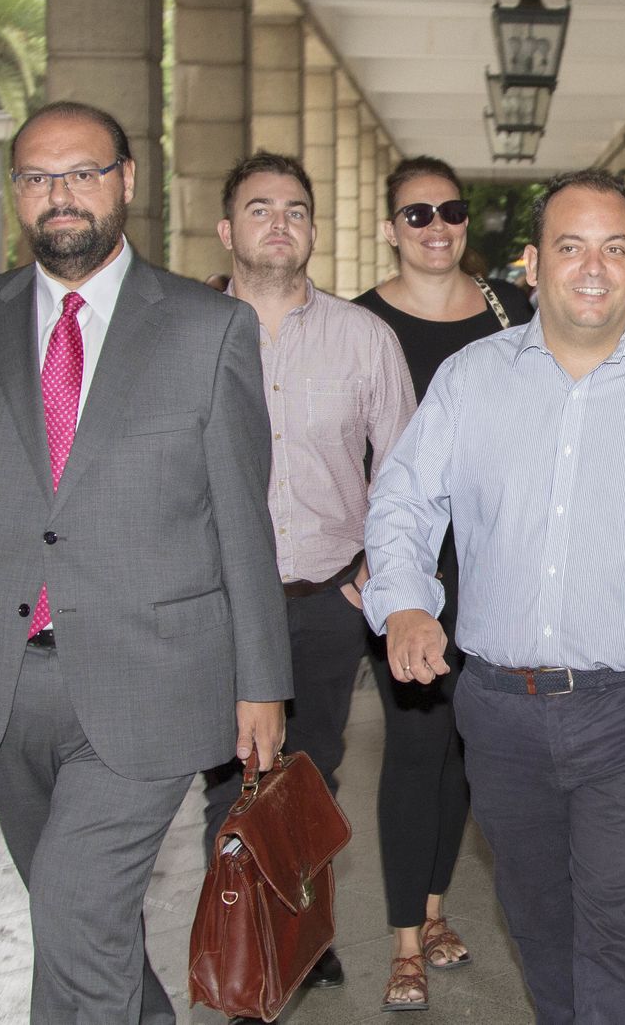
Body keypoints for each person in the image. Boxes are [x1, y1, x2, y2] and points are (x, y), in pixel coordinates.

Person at [0, 101, 291, 1023]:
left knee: (71, 905)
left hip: (154, 674)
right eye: (37, 177)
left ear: (127, 181)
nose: (60, 195)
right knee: (82, 925)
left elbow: (240, 518)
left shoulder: (206, 327)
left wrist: (262, 680)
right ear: (15, 192)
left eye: (83, 173)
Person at [362, 169, 625, 1025]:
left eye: (614, 248)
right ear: (532, 261)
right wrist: (404, 601)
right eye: (571, 246)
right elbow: (404, 496)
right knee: (541, 925)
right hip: (501, 712)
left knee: (618, 934)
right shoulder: (474, 379)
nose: (593, 267)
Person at [201, 151, 418, 1003]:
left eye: (295, 210)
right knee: (229, 778)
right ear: (228, 230)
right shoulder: (188, 331)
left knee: (314, 772)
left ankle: (307, 928)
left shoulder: (365, 338)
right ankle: (240, 946)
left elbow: (404, 464)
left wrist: (378, 566)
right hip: (220, 599)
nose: (278, 223)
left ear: (314, 231)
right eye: (259, 209)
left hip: (327, 594)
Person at [351, 155, 532, 1010]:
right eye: (415, 214)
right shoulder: (359, 325)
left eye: (450, 211)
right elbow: (336, 449)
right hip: (407, 569)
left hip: (494, 561)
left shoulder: (513, 313)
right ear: (391, 227)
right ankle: (400, 940)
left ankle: (431, 909)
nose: (435, 227)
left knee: (466, 742)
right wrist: (372, 561)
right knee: (415, 742)